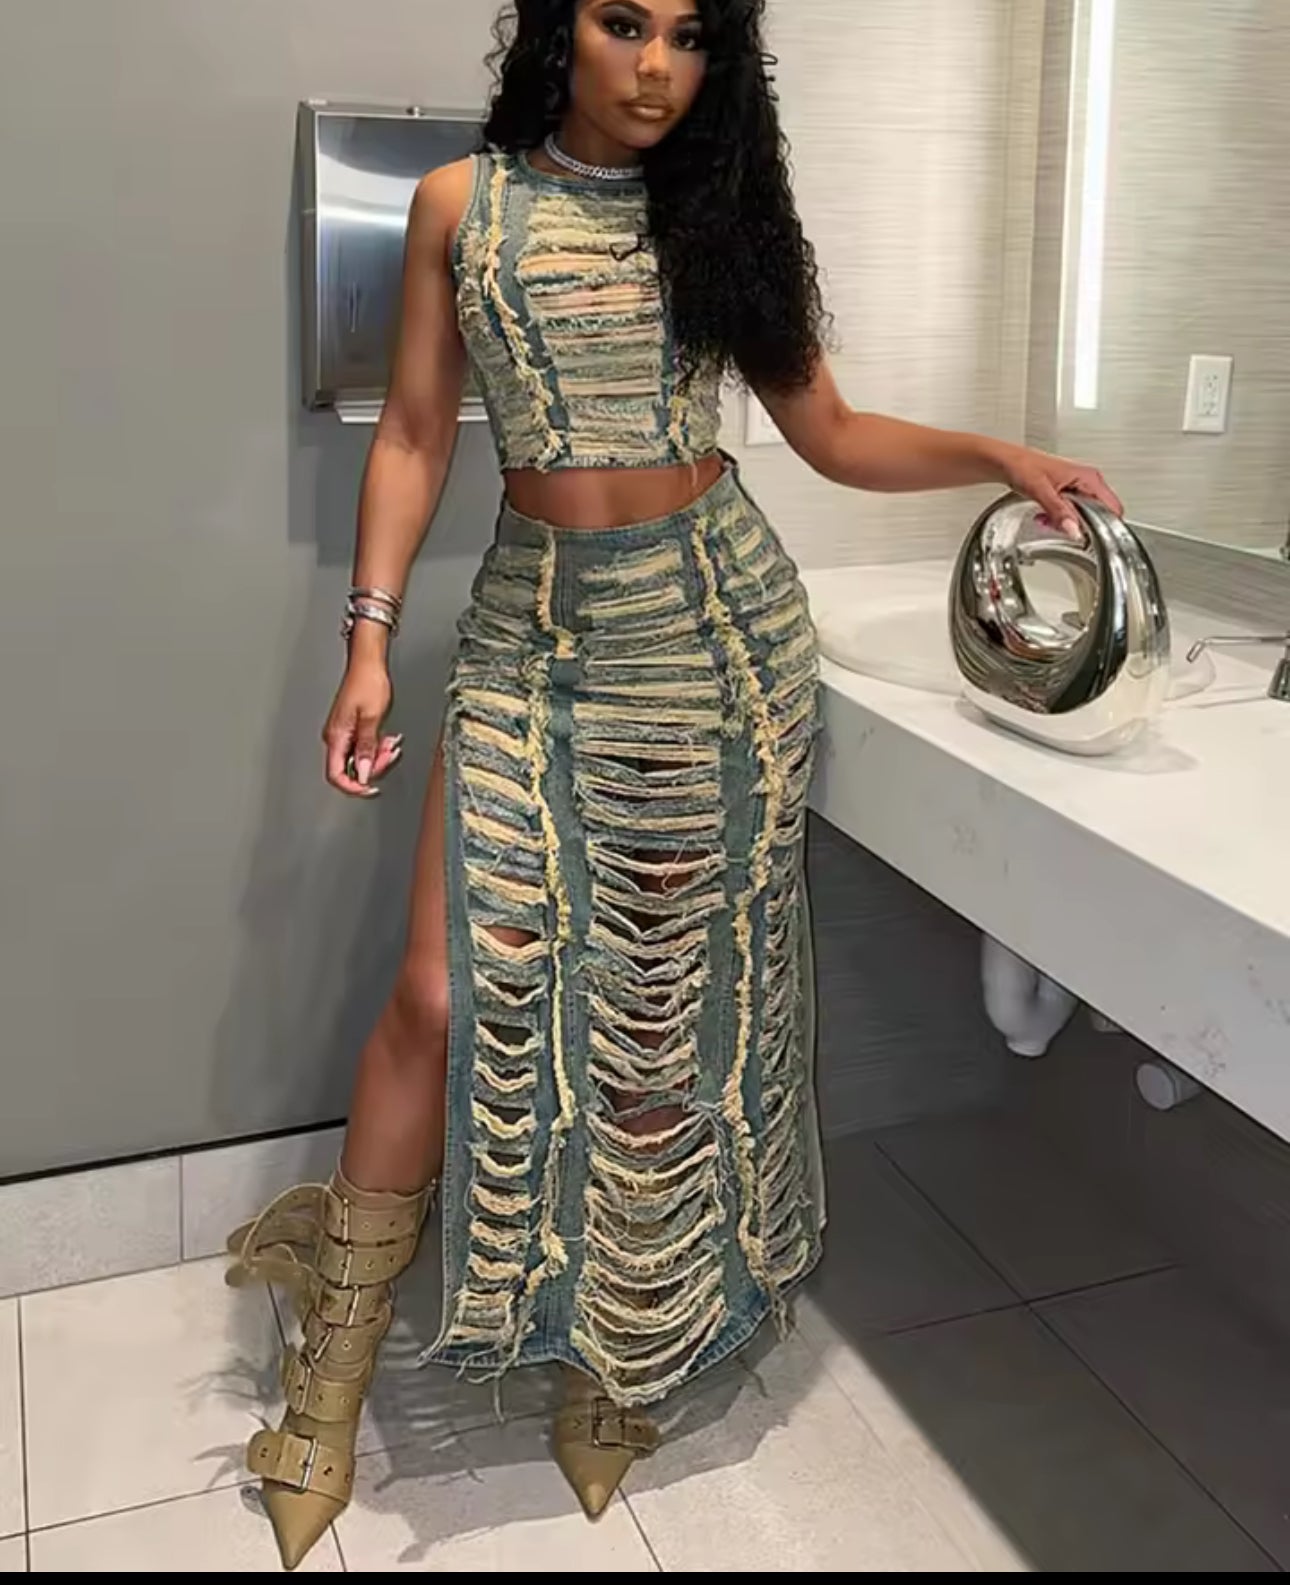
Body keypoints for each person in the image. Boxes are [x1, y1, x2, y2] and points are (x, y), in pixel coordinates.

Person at [227, 0, 1123, 1568]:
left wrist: (1002, 455)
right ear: (555, 30)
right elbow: (419, 432)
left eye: (690, 33)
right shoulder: (460, 204)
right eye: (620, 22)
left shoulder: (721, 210)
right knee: (438, 993)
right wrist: (365, 639)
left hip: (713, 638)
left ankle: (619, 1353)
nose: (653, 66)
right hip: (532, 633)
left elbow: (827, 431)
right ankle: (331, 1368)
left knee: (658, 1006)